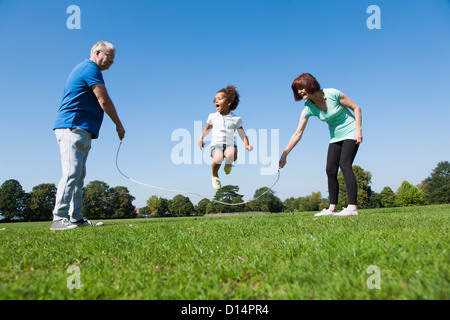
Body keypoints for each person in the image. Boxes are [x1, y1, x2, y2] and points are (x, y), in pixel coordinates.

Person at [50, 41, 126, 230]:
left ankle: (76, 218)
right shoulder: (89, 68)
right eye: (110, 57)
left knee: (79, 175)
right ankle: (59, 218)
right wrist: (119, 125)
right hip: (72, 126)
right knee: (72, 172)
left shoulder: (89, 69)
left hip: (82, 129)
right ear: (97, 52)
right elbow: (103, 100)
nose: (112, 62)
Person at [279, 73, 363, 216]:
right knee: (330, 170)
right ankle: (332, 208)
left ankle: (352, 208)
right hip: (335, 137)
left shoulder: (332, 94)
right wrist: (285, 153)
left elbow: (356, 108)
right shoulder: (308, 107)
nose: (299, 92)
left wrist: (358, 130)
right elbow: (298, 133)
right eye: (297, 90)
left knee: (344, 165)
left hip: (351, 131)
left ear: (309, 85)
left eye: (301, 88)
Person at [198, 85, 253, 190]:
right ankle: (214, 176)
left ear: (228, 103)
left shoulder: (235, 119)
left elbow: (242, 133)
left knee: (231, 155)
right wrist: (201, 138)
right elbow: (207, 128)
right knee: (218, 158)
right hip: (216, 145)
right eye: (215, 100)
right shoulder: (212, 116)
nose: (216, 101)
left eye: (219, 99)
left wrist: (247, 144)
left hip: (230, 144)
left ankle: (228, 163)